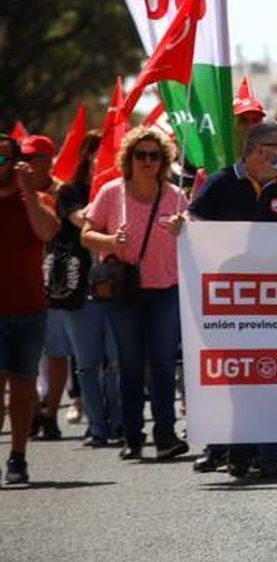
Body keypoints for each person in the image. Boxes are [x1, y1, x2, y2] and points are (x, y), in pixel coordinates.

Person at [181, 121, 277, 479]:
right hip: (232, 300)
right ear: (257, 151)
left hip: (276, 300)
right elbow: (196, 220)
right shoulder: (222, 183)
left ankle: (269, 456)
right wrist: (182, 226)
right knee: (239, 375)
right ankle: (237, 451)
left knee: (272, 374)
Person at [79, 126, 189, 463]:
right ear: (129, 158)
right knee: (129, 365)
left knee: (162, 363)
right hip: (123, 292)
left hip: (165, 290)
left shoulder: (174, 195)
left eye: (154, 155)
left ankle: (165, 434)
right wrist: (112, 242)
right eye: (140, 155)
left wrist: (182, 226)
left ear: (163, 160)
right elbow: (86, 234)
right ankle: (132, 435)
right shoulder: (112, 192)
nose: (147, 161)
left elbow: (192, 234)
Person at [46, 133, 122, 448]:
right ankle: (98, 426)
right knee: (88, 363)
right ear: (87, 156)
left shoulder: (124, 191)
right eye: (97, 153)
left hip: (117, 288)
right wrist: (105, 197)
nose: (100, 159)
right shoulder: (69, 192)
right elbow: (83, 220)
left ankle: (118, 421)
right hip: (80, 290)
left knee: (116, 360)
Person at [1, 133, 61, 484]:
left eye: (5, 158)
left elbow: (47, 232)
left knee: (23, 390)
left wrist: (26, 191)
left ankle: (18, 457)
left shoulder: (36, 199)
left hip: (28, 308)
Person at [19, 136, 71, 441]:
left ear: (48, 160)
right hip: (22, 281)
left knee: (55, 350)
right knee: (27, 353)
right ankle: (34, 407)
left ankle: (51, 413)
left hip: (55, 281)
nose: (28, 163)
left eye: (34, 157)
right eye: (25, 156)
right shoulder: (14, 190)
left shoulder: (61, 193)